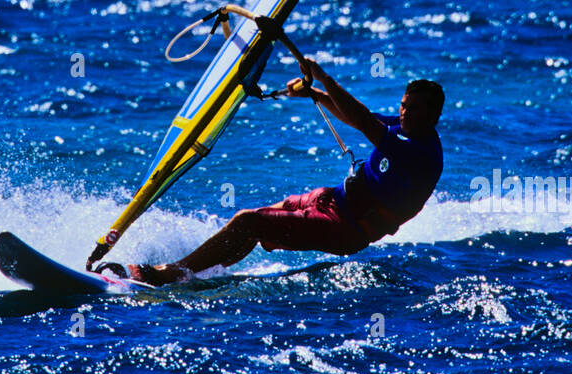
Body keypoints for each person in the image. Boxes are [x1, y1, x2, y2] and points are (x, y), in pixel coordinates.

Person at [129, 61, 444, 285]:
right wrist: (315, 94)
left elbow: (362, 120)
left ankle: (172, 273)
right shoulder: (402, 126)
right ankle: (199, 271)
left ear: (433, 114)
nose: (404, 112)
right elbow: (356, 118)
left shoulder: (422, 154)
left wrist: (322, 77)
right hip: (331, 199)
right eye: (403, 105)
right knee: (255, 220)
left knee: (247, 222)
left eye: (414, 108)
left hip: (346, 227)